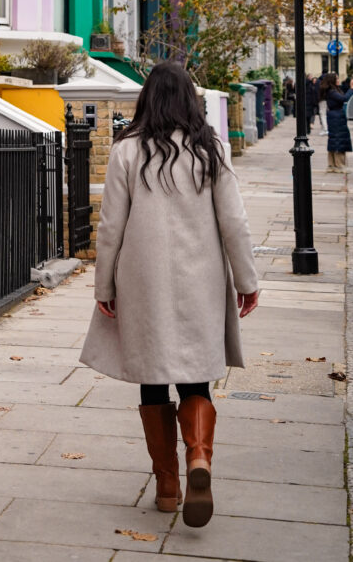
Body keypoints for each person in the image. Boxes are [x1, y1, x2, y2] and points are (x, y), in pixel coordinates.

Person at [80, 62, 259, 529]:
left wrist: (104, 285)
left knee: (152, 377)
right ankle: (199, 455)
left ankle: (166, 485)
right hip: (200, 281)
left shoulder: (126, 151)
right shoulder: (210, 149)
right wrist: (247, 280)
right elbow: (233, 222)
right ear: (191, 100)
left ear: (148, 99)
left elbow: (111, 228)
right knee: (196, 376)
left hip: (143, 281)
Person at [325, 72, 351, 171]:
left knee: (334, 140)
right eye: (337, 79)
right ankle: (339, 165)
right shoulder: (332, 91)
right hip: (336, 117)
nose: (339, 80)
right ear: (333, 81)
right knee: (338, 140)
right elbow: (344, 99)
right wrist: (351, 88)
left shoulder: (333, 90)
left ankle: (332, 165)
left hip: (335, 116)